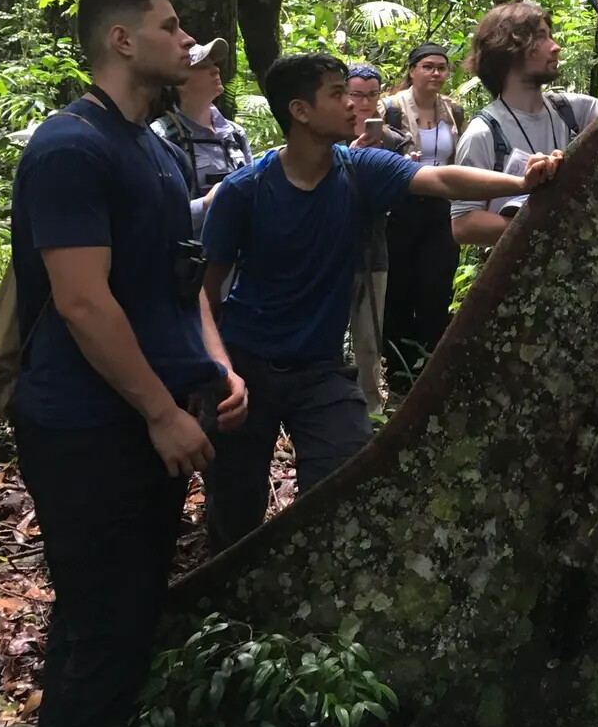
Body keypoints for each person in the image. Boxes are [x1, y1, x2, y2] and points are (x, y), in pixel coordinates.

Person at [9, 0, 248, 727]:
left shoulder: (153, 148)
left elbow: (180, 282)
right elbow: (82, 300)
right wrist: (158, 411)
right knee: (107, 620)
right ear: (121, 42)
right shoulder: (70, 148)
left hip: (152, 420)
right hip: (86, 425)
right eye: (170, 26)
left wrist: (216, 368)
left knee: (124, 607)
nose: (187, 40)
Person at [199, 52, 561, 552]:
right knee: (235, 508)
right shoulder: (245, 191)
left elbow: (441, 180)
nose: (353, 104)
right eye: (336, 94)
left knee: (343, 484)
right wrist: (219, 371)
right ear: (300, 111)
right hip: (247, 367)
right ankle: (226, 609)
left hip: (320, 370)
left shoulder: (357, 169)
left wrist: (522, 182)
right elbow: (204, 292)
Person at [452, 0, 598, 245]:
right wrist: (547, 227)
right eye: (542, 37)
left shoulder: (572, 110)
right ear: (510, 47)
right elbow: (463, 224)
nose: (555, 47)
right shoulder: (484, 132)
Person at [378, 43, 466, 393]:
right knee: (398, 288)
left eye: (442, 68)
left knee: (436, 285)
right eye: (428, 66)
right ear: (412, 70)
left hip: (441, 205)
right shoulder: (391, 109)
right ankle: (399, 372)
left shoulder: (454, 111)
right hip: (400, 206)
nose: (436, 74)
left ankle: (430, 365)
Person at [344, 63, 402, 414]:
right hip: (331, 250)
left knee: (368, 339)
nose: (364, 102)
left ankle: (371, 409)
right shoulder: (327, 132)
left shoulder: (392, 139)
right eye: (356, 94)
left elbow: (397, 199)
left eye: (372, 94)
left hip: (375, 251)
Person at [150, 37, 253, 236]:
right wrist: (206, 204)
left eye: (214, 64)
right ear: (179, 81)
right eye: (203, 66)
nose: (216, 70)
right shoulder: (162, 136)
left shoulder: (235, 134)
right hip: (193, 261)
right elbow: (157, 216)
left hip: (241, 259)